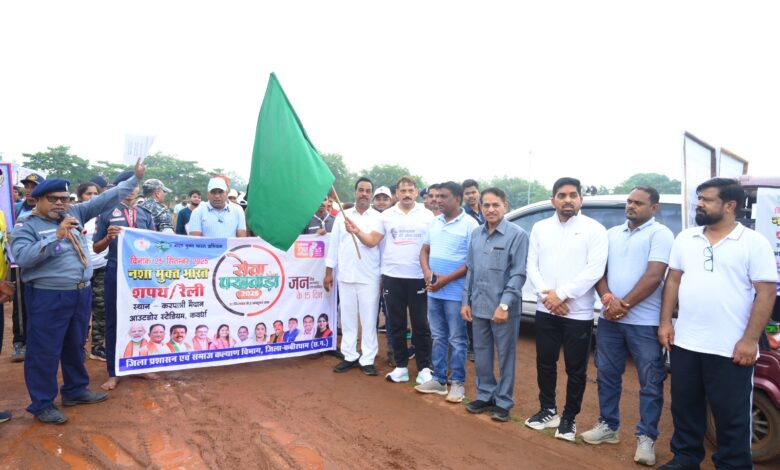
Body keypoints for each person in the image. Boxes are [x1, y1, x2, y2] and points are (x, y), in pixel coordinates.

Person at [9, 158, 147, 424]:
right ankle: (42, 403)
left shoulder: (74, 214)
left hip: (80, 293)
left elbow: (105, 199)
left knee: (75, 345)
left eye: (64, 198)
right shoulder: (26, 225)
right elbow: (24, 258)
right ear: (38, 200)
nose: (60, 203)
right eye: (53, 199)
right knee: (45, 350)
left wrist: (135, 179)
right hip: (48, 295)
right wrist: (56, 236)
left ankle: (75, 390)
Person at [657, 178, 777, 470]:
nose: (699, 204)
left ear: (729, 205)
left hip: (730, 349)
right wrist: (665, 322)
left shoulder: (753, 242)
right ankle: (685, 460)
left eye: (707, 200)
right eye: (699, 198)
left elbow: (766, 293)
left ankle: (733, 465)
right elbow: (673, 280)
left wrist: (749, 340)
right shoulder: (686, 238)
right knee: (685, 408)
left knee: (732, 416)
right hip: (686, 343)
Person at [581, 187, 673, 466]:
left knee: (650, 382)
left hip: (644, 323)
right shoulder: (611, 234)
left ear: (654, 208)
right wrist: (608, 300)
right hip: (610, 320)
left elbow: (654, 276)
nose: (631, 206)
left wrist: (625, 305)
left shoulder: (661, 234)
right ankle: (609, 426)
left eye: (638, 203)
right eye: (629, 201)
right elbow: (599, 271)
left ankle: (646, 437)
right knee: (607, 374)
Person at [524, 177, 608, 442]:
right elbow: (531, 265)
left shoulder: (595, 229)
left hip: (578, 313)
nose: (567, 200)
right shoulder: (540, 228)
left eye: (573, 195)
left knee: (576, 369)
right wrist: (548, 296)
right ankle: (548, 410)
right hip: (545, 309)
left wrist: (560, 295)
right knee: (545, 363)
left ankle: (569, 418)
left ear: (581, 199)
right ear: (553, 200)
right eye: (562, 195)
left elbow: (594, 270)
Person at [346, 175, 435, 384]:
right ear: (396, 194)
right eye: (402, 191)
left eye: (410, 190)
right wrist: (357, 231)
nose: (407, 194)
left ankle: (424, 368)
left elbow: (434, 245)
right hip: (392, 277)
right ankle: (401, 367)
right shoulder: (386, 216)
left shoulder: (427, 215)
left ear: (416, 192)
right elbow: (372, 241)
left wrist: (430, 272)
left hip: (418, 277)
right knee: (396, 324)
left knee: (421, 324)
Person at [460, 187, 529, 422]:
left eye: (495, 205)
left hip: (503, 309)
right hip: (478, 305)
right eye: (486, 205)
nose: (490, 209)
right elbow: (471, 270)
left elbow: (518, 274)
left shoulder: (517, 235)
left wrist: (505, 305)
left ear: (505, 206)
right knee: (481, 354)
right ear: (480, 208)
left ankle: (503, 402)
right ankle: (485, 395)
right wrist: (465, 301)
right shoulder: (476, 234)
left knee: (506, 356)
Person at [416, 181, 478, 402]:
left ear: (457, 199)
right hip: (434, 291)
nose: (438, 200)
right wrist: (427, 272)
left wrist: (445, 280)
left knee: (457, 339)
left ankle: (457, 383)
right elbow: (424, 251)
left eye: (443, 196)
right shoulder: (435, 222)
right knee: (438, 336)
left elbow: (471, 262)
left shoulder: (470, 225)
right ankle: (439, 379)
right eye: (436, 196)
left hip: (455, 294)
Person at [93, 170, 155, 391]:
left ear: (138, 189)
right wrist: (108, 238)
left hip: (141, 275)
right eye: (126, 186)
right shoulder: (107, 212)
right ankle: (114, 371)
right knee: (114, 321)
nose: (131, 191)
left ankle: (139, 365)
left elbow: (155, 244)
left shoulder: (145, 214)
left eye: (134, 186)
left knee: (142, 318)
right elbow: (96, 247)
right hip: (115, 271)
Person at [325, 177, 382, 376]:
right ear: (355, 192)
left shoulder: (378, 218)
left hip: (370, 276)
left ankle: (367, 358)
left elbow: (380, 247)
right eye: (361, 190)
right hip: (346, 275)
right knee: (348, 318)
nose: (364, 194)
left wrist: (383, 277)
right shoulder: (342, 216)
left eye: (368, 191)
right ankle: (349, 355)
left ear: (371, 194)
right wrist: (329, 272)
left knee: (368, 320)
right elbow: (334, 246)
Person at [9, 172, 44, 363]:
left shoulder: (47, 210)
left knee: (41, 303)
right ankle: (20, 341)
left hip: (42, 263)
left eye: (34, 187)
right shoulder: (14, 209)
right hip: (18, 262)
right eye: (27, 186)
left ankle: (37, 341)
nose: (29, 190)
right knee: (20, 303)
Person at [76, 182, 109, 361]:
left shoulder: (105, 214)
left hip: (102, 266)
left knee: (101, 308)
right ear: (80, 196)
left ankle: (97, 347)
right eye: (88, 193)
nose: (93, 197)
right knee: (81, 309)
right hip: (81, 269)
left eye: (96, 193)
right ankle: (79, 345)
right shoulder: (76, 215)